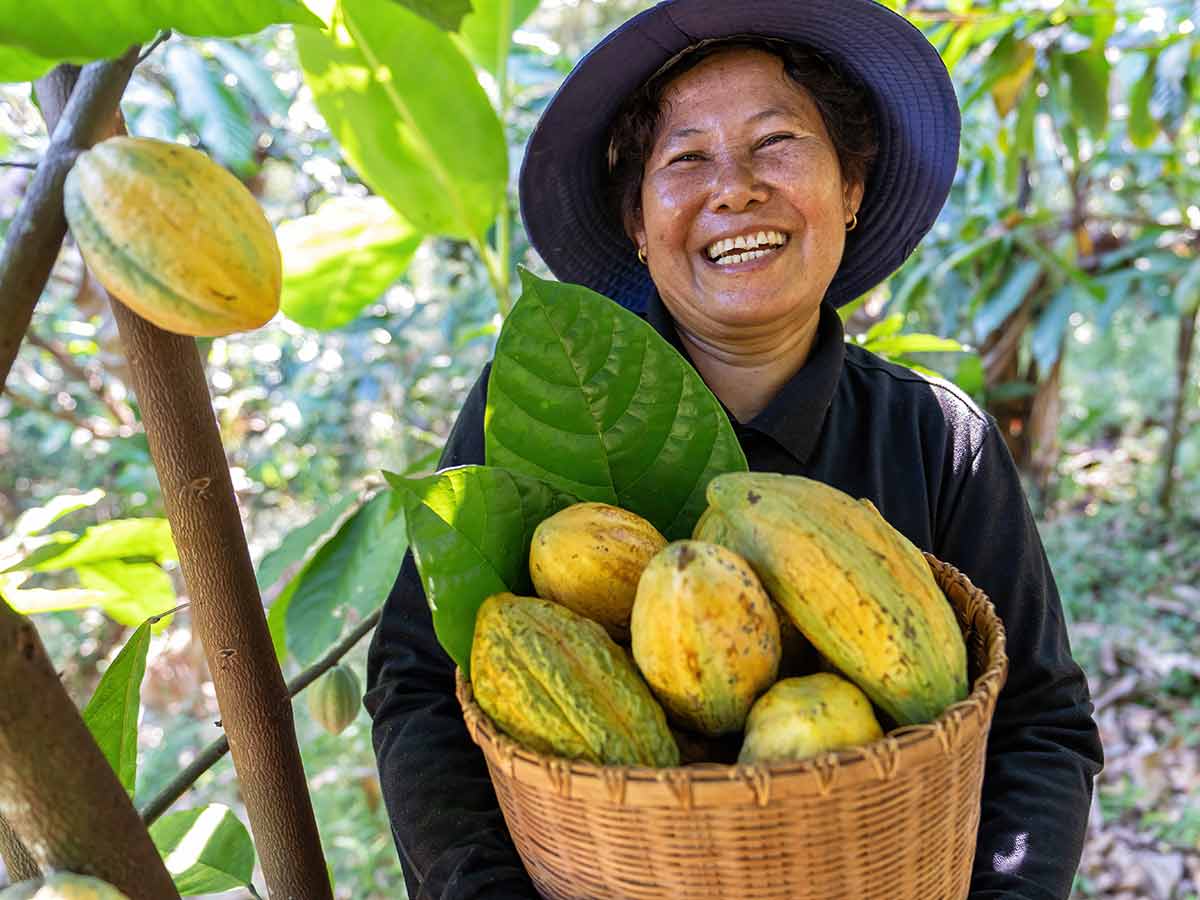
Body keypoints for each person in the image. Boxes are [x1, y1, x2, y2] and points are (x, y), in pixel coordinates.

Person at [365, 1, 1104, 897]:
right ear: (638, 222)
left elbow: (1040, 722)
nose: (735, 189)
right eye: (685, 158)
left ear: (852, 189)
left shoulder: (937, 439)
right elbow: (419, 687)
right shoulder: (538, 412)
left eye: (776, 143)